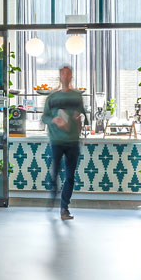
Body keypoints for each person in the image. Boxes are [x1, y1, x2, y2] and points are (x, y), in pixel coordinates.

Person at [44, 64, 86, 220]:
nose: (66, 77)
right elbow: (44, 117)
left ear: (71, 76)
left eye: (69, 74)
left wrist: (79, 123)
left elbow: (82, 117)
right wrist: (54, 120)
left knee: (70, 176)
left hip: (73, 142)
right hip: (56, 141)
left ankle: (64, 208)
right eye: (63, 74)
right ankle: (53, 191)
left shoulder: (77, 97)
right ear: (60, 76)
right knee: (55, 174)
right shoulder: (52, 97)